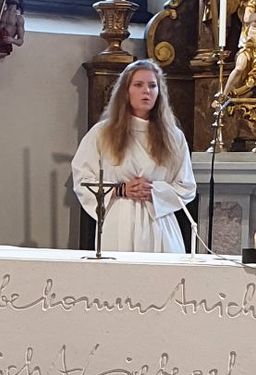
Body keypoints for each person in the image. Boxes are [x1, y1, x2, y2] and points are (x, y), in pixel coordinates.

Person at [71, 60, 196, 253]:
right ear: (125, 91)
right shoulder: (102, 133)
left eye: (152, 85)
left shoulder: (173, 136)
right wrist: (121, 189)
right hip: (119, 220)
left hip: (159, 223)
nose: (146, 91)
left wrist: (154, 191)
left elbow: (186, 186)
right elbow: (83, 180)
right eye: (138, 85)